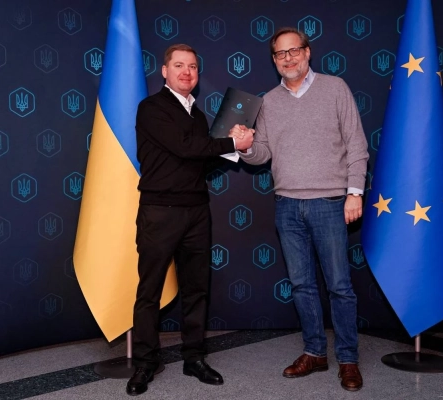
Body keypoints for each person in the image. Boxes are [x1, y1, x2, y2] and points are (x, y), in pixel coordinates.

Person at [236, 27, 369, 392]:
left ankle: (348, 359)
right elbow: (263, 153)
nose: (288, 58)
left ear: (308, 52)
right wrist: (245, 147)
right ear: (274, 60)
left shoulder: (335, 88)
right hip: (287, 205)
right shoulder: (268, 101)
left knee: (340, 287)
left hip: (330, 203)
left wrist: (354, 193)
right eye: (281, 54)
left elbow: (356, 145)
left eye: (294, 50)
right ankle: (315, 352)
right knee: (302, 286)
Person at [127, 43, 253, 396]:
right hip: (159, 211)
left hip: (197, 211)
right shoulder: (151, 108)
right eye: (179, 65)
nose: (187, 72)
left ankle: (194, 358)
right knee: (149, 291)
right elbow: (185, 147)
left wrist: (233, 146)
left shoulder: (198, 115)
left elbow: (200, 161)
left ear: (198, 74)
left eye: (193, 67)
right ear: (164, 71)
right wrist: (231, 143)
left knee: (197, 289)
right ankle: (145, 363)